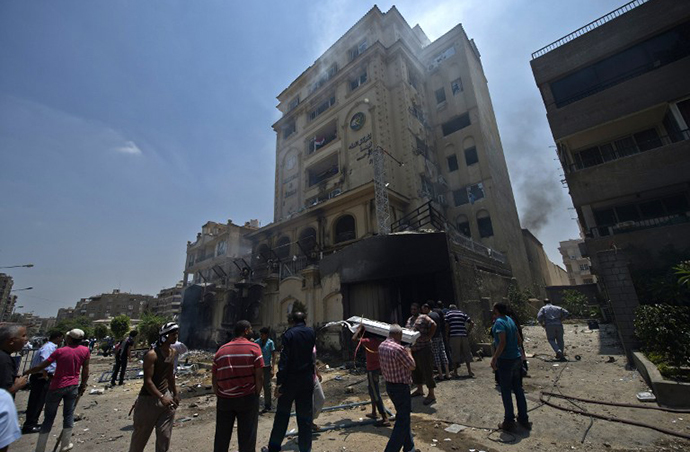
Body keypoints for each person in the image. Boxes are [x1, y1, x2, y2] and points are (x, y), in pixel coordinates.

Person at [24, 328, 90, 452]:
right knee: (68, 415)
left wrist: (27, 372)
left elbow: (42, 365)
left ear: (69, 338)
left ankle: (40, 447)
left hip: (56, 386)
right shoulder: (85, 350)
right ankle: (65, 444)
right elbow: (85, 370)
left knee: (48, 417)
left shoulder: (60, 351)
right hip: (73, 386)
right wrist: (84, 384)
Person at [262, 311, 316, 452]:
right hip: (306, 379)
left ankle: (273, 448)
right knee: (305, 417)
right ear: (305, 319)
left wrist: (280, 383)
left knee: (282, 415)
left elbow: (284, 360)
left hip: (290, 381)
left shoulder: (289, 334)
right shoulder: (311, 333)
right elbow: (311, 356)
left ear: (291, 320)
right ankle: (306, 448)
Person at [212, 320, 264, 452]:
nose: (252, 331)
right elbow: (259, 375)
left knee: (222, 436)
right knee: (247, 437)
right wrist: (257, 393)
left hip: (225, 399)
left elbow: (214, 377)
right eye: (251, 329)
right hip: (247, 398)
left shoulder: (221, 350)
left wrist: (219, 394)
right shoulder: (254, 348)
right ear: (246, 330)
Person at [128, 322, 180, 452]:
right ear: (165, 336)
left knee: (164, 436)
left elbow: (170, 375)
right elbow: (148, 381)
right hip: (148, 400)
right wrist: (161, 397)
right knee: (140, 438)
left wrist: (175, 393)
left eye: (176, 334)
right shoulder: (152, 355)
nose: (176, 337)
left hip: (166, 399)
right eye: (173, 335)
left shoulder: (172, 352)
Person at [490, 303, 531, 432]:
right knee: (518, 389)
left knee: (506, 391)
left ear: (496, 310)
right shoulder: (511, 321)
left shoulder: (499, 323)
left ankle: (509, 421)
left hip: (506, 360)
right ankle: (523, 418)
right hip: (516, 359)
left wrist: (495, 357)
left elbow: (502, 342)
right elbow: (519, 340)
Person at [378, 324, 416, 452]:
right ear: (399, 335)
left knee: (403, 416)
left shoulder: (382, 345)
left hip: (390, 385)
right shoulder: (399, 349)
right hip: (401, 386)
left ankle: (409, 447)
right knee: (403, 420)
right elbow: (412, 366)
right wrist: (409, 352)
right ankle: (391, 449)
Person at [22, 331, 64, 434]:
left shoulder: (49, 346)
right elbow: (45, 361)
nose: (62, 340)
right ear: (57, 337)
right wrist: (45, 375)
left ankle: (32, 422)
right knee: (36, 401)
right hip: (41, 377)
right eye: (61, 338)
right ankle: (29, 425)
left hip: (41, 376)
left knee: (38, 401)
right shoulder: (49, 347)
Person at [352, 325, 388, 426]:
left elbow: (354, 338)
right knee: (372, 390)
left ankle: (384, 417)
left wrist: (359, 329)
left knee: (375, 392)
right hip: (377, 368)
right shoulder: (379, 341)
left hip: (372, 369)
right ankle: (374, 412)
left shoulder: (369, 341)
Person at [405, 303, 437, 405]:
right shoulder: (410, 320)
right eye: (412, 309)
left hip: (424, 348)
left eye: (415, 309)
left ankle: (431, 394)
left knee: (427, 370)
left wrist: (429, 336)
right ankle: (419, 389)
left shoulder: (423, 317)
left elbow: (433, 325)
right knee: (415, 370)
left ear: (419, 309)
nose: (413, 310)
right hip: (414, 349)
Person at [445, 304, 475, 378]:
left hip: (454, 336)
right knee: (466, 352)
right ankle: (470, 371)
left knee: (455, 353)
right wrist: (467, 332)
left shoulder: (448, 314)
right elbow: (472, 323)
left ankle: (455, 372)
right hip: (463, 335)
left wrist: (446, 335)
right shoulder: (462, 313)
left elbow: (447, 325)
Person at [423, 301, 450, 380]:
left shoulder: (429, 316)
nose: (422, 311)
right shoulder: (436, 314)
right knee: (443, 352)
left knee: (436, 355)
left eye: (423, 309)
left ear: (427, 308)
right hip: (440, 335)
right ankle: (447, 373)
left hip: (433, 336)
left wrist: (428, 336)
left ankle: (440, 374)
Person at [0, 324, 29, 397]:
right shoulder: (5, 360)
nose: (26, 339)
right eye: (23, 336)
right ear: (11, 341)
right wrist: (18, 385)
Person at [254, 327, 276, 413]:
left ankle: (268, 405)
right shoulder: (257, 342)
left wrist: (273, 368)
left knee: (267, 386)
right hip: (258, 367)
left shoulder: (270, 343)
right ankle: (255, 404)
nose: (261, 336)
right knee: (257, 384)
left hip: (266, 367)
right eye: (261, 334)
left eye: (263, 334)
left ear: (266, 335)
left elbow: (273, 355)